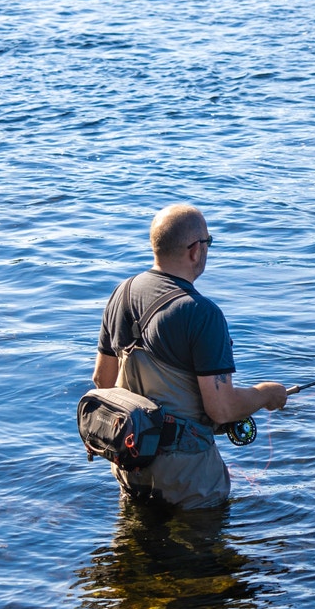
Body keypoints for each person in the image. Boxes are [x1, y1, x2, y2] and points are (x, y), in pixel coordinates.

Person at [92, 204, 288, 509]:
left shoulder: (122, 293)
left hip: (130, 462)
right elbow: (221, 410)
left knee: (133, 547)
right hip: (188, 480)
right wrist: (265, 394)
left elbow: (102, 382)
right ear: (196, 250)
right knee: (204, 553)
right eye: (208, 243)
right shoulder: (201, 313)